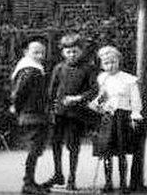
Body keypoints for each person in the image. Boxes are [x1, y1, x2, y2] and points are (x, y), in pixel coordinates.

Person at [46, 33, 98, 191]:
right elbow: (52, 89)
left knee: (72, 145)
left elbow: (94, 90)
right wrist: (51, 107)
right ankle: (58, 174)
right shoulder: (59, 68)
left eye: (75, 51)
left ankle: (71, 178)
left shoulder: (87, 69)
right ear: (63, 52)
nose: (71, 54)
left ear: (81, 51)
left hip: (76, 113)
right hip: (59, 112)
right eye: (68, 52)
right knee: (55, 143)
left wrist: (78, 98)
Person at [90, 46, 142, 194]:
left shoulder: (128, 80)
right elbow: (102, 97)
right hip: (107, 117)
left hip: (122, 118)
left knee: (121, 151)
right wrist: (97, 103)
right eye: (106, 63)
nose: (110, 65)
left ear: (118, 61)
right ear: (101, 64)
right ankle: (108, 183)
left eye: (113, 62)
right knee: (106, 150)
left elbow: (135, 101)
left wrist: (135, 115)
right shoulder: (102, 78)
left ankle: (123, 184)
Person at [10, 40, 50, 195]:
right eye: (36, 52)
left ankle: (31, 181)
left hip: (36, 114)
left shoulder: (35, 69)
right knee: (34, 148)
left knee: (37, 147)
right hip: (31, 114)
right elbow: (18, 93)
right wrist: (18, 109)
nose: (40, 55)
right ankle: (28, 183)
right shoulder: (28, 70)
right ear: (26, 52)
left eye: (42, 52)